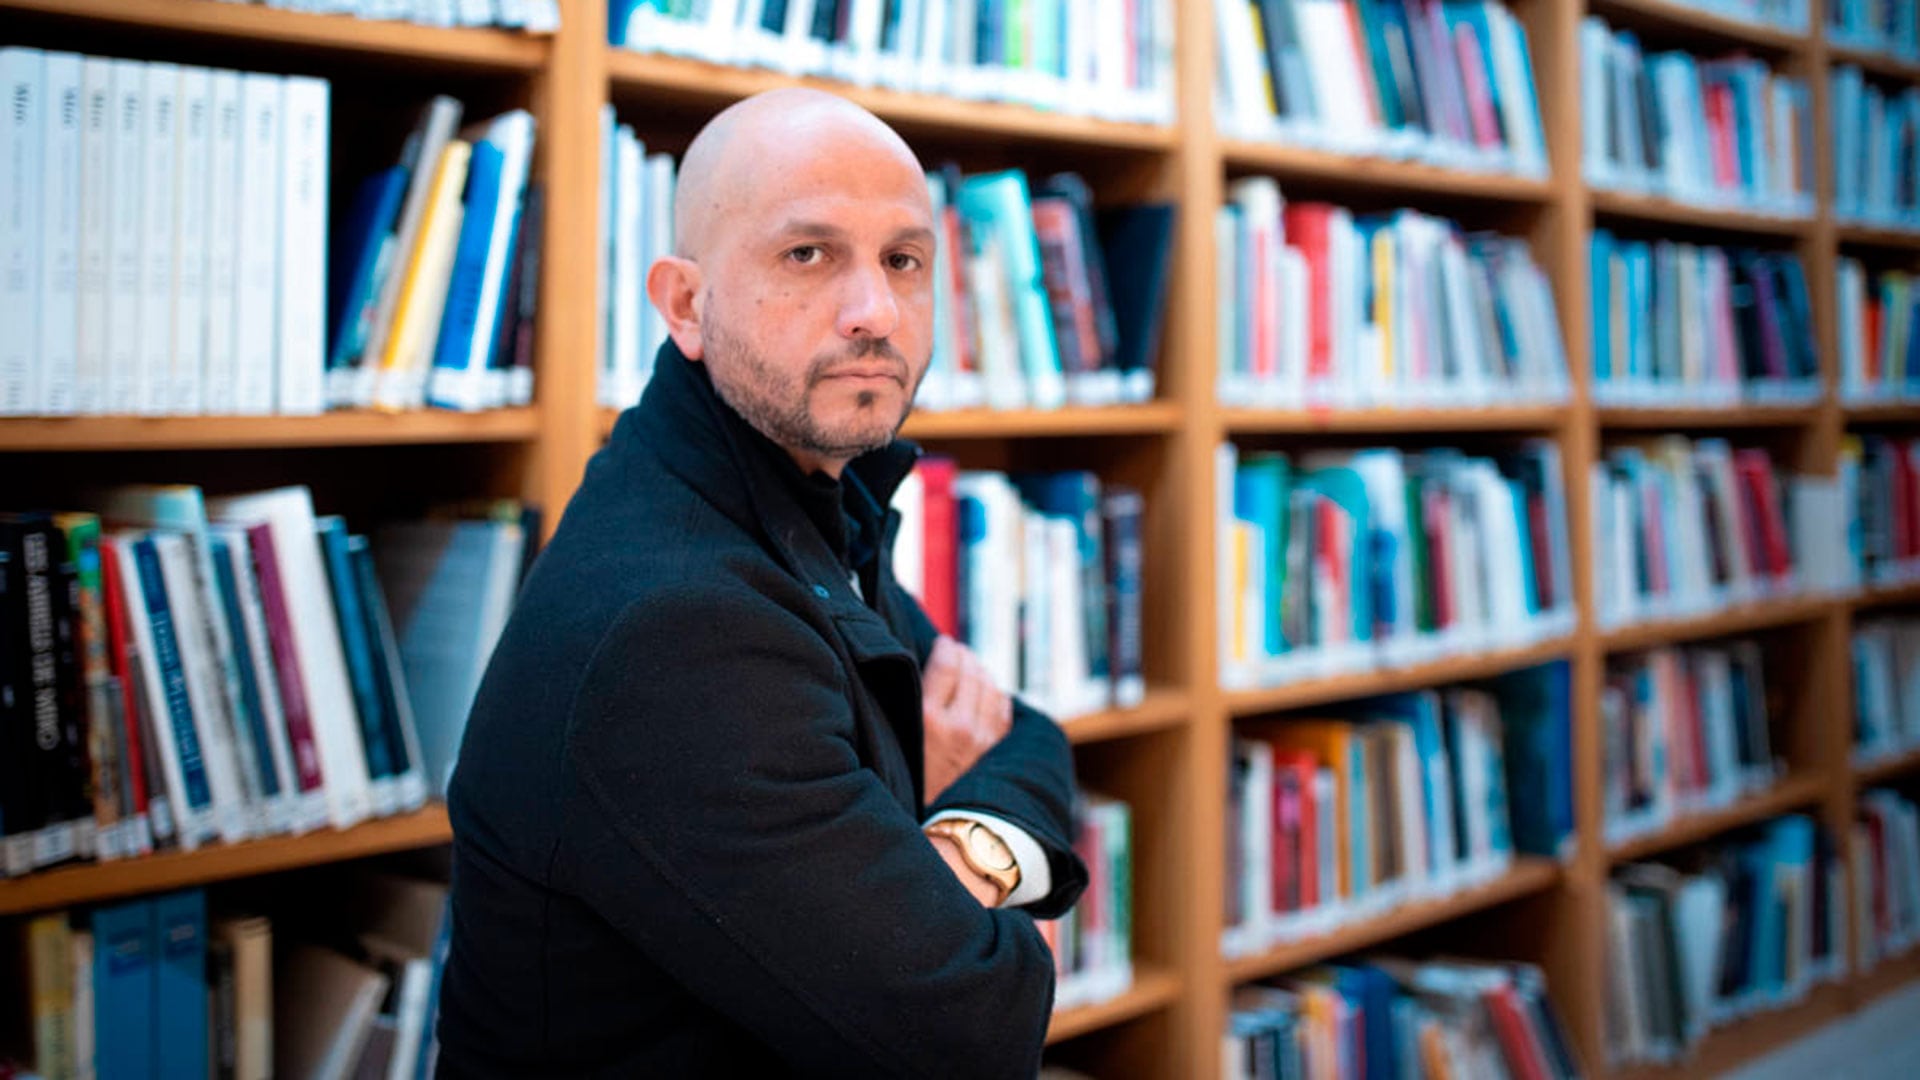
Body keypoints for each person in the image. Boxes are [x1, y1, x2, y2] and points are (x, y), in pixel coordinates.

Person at [435, 88, 1089, 1077]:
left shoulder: (791, 493)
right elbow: (973, 1029)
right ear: (686, 304)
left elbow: (1025, 733)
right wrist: (977, 869)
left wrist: (944, 852)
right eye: (808, 255)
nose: (874, 312)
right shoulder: (676, 625)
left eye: (904, 261)